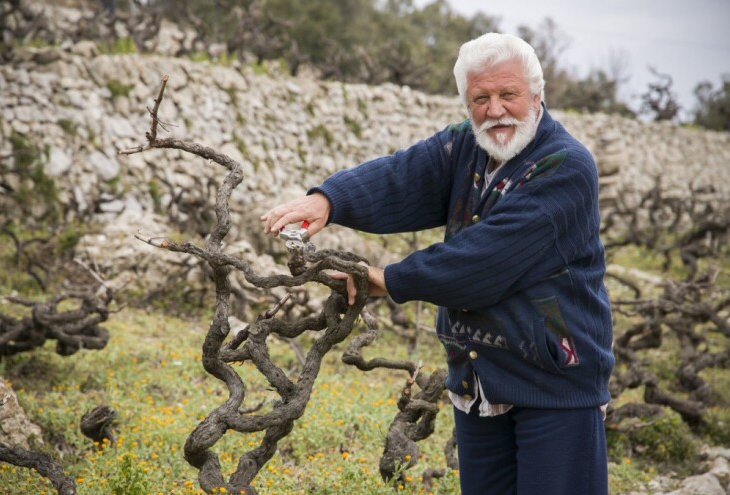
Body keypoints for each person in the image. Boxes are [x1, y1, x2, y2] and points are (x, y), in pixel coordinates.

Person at [261, 32, 614, 495]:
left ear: (537, 95)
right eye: (480, 98)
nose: (495, 110)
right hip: (478, 380)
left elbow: (487, 261)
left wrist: (386, 279)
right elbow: (402, 176)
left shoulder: (565, 166)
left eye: (508, 95)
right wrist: (329, 200)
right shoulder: (467, 145)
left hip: (554, 382)